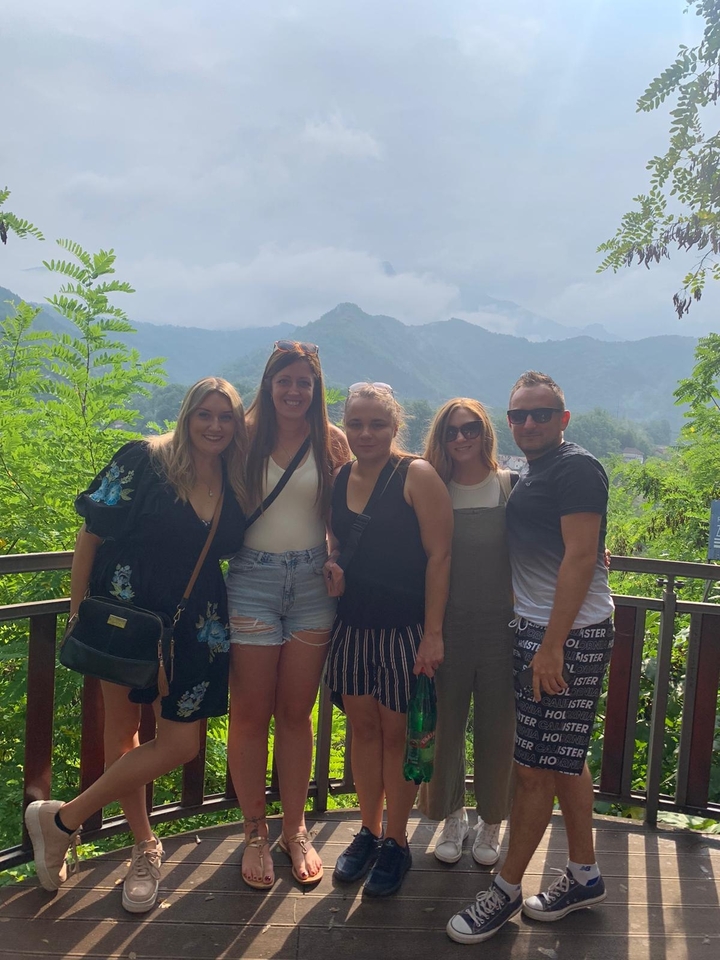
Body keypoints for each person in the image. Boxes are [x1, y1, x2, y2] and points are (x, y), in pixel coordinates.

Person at [25, 377, 248, 912]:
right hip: (124, 618)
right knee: (121, 733)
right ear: (186, 415)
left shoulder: (237, 476)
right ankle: (144, 845)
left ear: (238, 425)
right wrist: (79, 612)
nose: (214, 426)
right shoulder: (144, 459)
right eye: (205, 414)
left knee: (180, 744)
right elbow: (91, 534)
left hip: (195, 625)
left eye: (226, 417)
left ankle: (59, 821)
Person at [446, 370, 614, 943]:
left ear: (563, 419)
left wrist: (552, 645)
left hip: (566, 640)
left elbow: (579, 557)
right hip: (542, 633)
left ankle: (505, 888)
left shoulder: (577, 468)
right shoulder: (532, 473)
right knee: (565, 755)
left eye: (541, 414)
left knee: (534, 769)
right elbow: (576, 546)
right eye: (519, 415)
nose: (529, 423)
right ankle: (585, 874)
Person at [225, 341, 350, 889]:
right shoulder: (243, 435)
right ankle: (255, 830)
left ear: (317, 387)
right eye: (285, 381)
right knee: (251, 713)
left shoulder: (332, 442)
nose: (295, 391)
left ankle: (294, 827)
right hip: (251, 578)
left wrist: (339, 558)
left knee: (297, 713)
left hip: (312, 583)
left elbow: (350, 511)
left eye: (305, 382)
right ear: (268, 384)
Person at [324, 383, 453, 897]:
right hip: (352, 626)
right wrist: (334, 565)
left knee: (399, 736)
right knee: (363, 731)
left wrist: (433, 634)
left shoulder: (415, 474)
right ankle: (368, 831)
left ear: (395, 426)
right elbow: (338, 541)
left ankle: (397, 842)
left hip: (405, 630)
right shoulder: (340, 478)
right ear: (346, 425)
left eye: (377, 423)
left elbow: (441, 557)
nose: (365, 433)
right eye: (356, 423)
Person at [417, 399, 516, 867]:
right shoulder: (434, 489)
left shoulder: (509, 487)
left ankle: (492, 820)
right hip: (446, 624)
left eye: (470, 428)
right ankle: (451, 815)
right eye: (452, 430)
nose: (461, 438)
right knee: (446, 725)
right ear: (441, 437)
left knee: (499, 727)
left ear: (485, 431)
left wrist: (597, 549)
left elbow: (546, 540)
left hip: (502, 626)